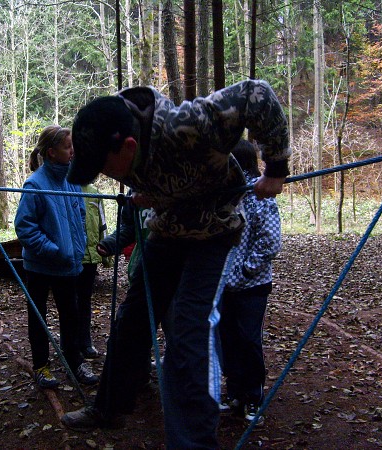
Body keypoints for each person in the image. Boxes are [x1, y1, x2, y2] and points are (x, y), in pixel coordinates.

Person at [61, 79, 290, 449]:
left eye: (104, 166)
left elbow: (256, 94)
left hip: (214, 229)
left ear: (128, 146)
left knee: (188, 324)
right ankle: (109, 407)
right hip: (169, 229)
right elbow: (163, 174)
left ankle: (194, 443)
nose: (104, 174)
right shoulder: (121, 146)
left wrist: (275, 166)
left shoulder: (191, 124)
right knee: (133, 317)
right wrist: (152, 192)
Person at [14, 125, 98, 388]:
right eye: (67, 147)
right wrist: (53, 250)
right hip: (41, 265)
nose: (72, 151)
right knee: (38, 316)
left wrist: (78, 246)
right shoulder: (35, 184)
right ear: (51, 153)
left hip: (69, 265)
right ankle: (41, 366)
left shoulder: (72, 181)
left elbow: (80, 216)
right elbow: (25, 227)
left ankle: (73, 362)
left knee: (70, 315)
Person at [218, 140, 282, 425]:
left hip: (251, 284)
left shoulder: (259, 193)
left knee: (247, 339)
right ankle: (235, 394)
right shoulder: (223, 192)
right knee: (227, 339)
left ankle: (253, 397)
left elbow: (269, 240)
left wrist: (246, 270)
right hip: (224, 283)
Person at [76, 183, 108, 359]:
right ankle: (71, 343)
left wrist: (105, 253)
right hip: (72, 255)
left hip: (91, 255)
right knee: (70, 302)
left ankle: (85, 342)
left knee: (85, 300)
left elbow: (102, 223)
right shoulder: (66, 187)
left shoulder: (95, 193)